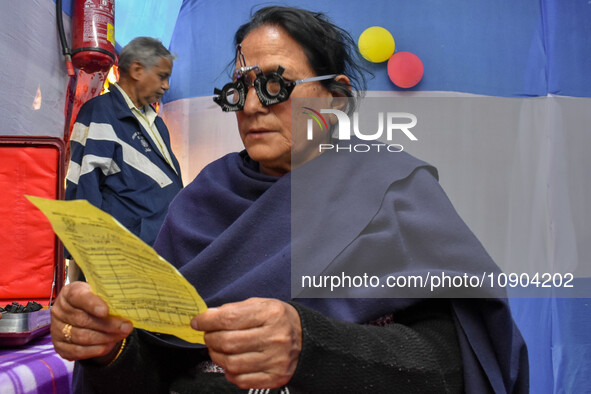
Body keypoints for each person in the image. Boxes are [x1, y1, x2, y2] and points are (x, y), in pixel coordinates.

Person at [50, 7, 528, 393]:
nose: (253, 106)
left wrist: (312, 348)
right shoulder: (203, 200)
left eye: (275, 85)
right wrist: (109, 345)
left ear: (334, 99)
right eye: (239, 90)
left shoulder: (389, 187)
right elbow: (154, 361)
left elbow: (452, 367)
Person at [65, 36, 183, 249]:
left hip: (161, 248)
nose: (166, 86)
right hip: (124, 253)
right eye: (162, 77)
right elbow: (83, 185)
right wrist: (86, 257)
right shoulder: (101, 111)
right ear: (137, 70)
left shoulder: (156, 123)